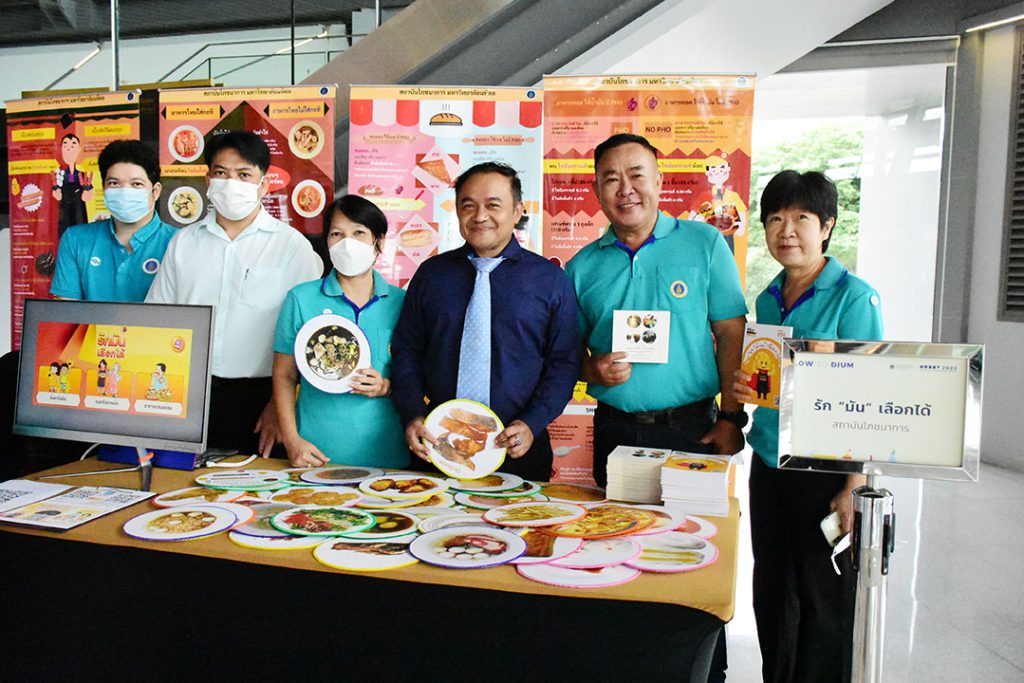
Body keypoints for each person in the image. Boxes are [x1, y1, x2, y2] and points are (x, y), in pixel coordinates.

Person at [732, 170, 882, 683]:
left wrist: (854, 484)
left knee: (822, 595)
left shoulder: (855, 298)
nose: (787, 231)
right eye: (775, 219)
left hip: (824, 469)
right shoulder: (768, 297)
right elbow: (774, 380)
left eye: (801, 218)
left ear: (828, 225)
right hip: (770, 462)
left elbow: (869, 397)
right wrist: (749, 386)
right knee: (772, 588)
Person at [565, 134, 749, 489]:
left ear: (659, 180)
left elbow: (732, 333)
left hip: (694, 429)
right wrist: (592, 369)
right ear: (596, 190)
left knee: (695, 523)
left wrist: (731, 418)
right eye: (612, 179)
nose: (626, 190)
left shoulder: (705, 243)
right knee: (613, 523)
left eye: (637, 175)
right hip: (614, 430)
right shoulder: (581, 267)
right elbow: (566, 353)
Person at [391, 161, 579, 482]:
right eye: (468, 206)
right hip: (437, 443)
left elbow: (564, 363)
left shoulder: (550, 280)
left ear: (517, 211)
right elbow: (407, 352)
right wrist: (413, 415)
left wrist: (531, 423)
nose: (480, 216)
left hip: (519, 445)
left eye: (493, 205)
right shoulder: (432, 275)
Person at [146, 131, 322, 456]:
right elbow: (158, 320)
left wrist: (280, 404)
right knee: (184, 481)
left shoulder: (291, 246)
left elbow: (309, 334)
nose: (231, 183)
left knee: (260, 481)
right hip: (189, 392)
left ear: (263, 184)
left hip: (264, 399)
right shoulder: (184, 243)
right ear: (208, 180)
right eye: (221, 173)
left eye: (243, 175)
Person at [272, 195, 409, 468]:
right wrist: (291, 439)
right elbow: (284, 376)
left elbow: (417, 375)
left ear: (379, 242)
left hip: (388, 455)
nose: (347, 243)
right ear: (327, 242)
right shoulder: (301, 299)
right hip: (316, 454)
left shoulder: (403, 303)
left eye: (359, 233)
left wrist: (386, 387)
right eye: (337, 234)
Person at [50, 139, 175, 302]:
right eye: (114, 183)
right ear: (104, 189)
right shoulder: (75, 240)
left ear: (156, 191)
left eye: (136, 184)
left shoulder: (178, 243)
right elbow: (66, 312)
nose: (124, 192)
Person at [52, 133, 94, 237]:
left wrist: (87, 193)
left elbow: (89, 194)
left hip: (79, 215)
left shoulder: (83, 175)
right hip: (64, 214)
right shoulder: (59, 176)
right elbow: (57, 195)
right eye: (65, 146)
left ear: (79, 149)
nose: (69, 149)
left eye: (73, 145)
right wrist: (57, 192)